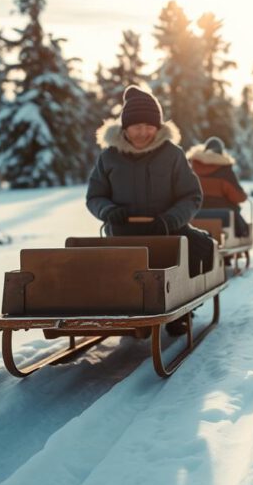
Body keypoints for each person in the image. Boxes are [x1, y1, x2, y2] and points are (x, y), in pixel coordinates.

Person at [86, 85, 214, 335]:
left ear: (158, 127)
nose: (143, 132)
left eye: (149, 125)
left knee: (202, 247)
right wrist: (109, 211)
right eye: (136, 126)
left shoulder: (172, 154)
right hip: (123, 234)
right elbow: (95, 196)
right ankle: (124, 312)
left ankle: (182, 309)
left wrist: (171, 219)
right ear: (125, 127)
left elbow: (191, 195)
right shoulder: (109, 156)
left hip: (167, 231)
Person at [186, 136, 250, 237]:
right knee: (238, 220)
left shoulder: (191, 167)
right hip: (221, 216)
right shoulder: (225, 170)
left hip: (194, 213)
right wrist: (244, 196)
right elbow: (238, 197)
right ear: (221, 152)